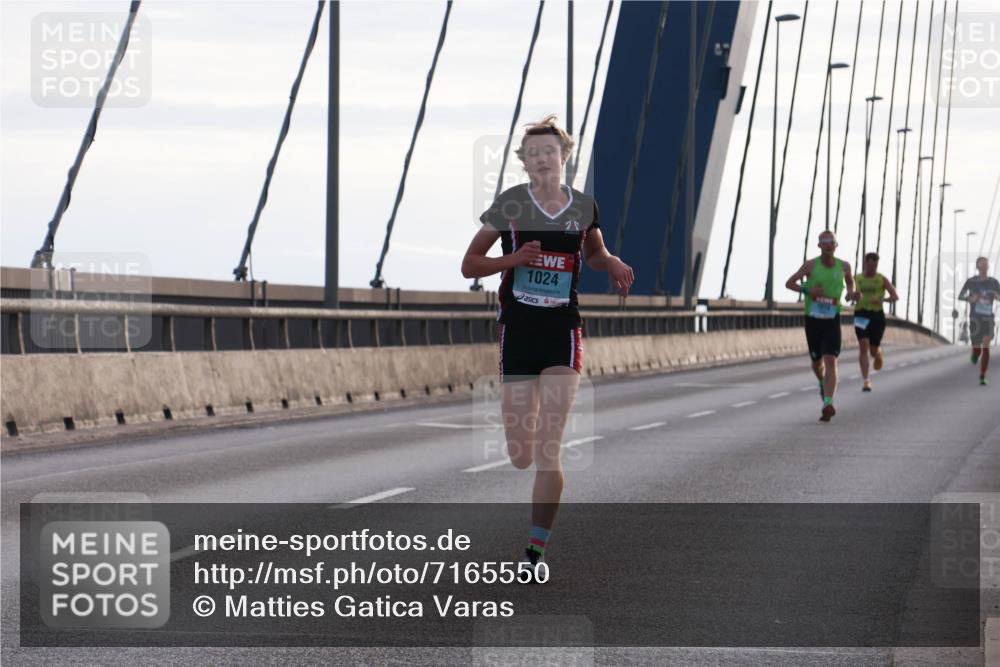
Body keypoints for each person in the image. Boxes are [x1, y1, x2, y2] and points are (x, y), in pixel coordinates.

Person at [461, 115, 634, 578]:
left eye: (549, 152)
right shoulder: (510, 205)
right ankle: (526, 448)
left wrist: (610, 260)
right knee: (521, 454)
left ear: (563, 157)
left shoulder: (583, 208)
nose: (541, 159)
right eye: (532, 153)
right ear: (523, 161)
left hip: (563, 331)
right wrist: (514, 259)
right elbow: (470, 264)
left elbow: (593, 253)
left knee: (548, 449)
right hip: (518, 332)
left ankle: (536, 550)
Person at [785, 231, 856, 421]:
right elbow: (789, 283)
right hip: (813, 319)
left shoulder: (844, 266)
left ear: (836, 245)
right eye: (824, 243)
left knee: (831, 360)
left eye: (831, 242)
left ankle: (828, 402)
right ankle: (821, 381)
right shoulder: (810, 265)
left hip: (832, 319)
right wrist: (808, 290)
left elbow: (850, 283)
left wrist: (851, 294)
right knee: (817, 363)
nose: (828, 245)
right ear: (819, 246)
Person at [851, 252, 899, 391]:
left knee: (872, 351)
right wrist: (854, 295)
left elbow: (895, 296)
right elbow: (851, 295)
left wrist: (882, 300)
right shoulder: (857, 278)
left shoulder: (881, 279)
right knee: (863, 345)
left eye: (875, 265)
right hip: (861, 314)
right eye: (870, 265)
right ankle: (866, 380)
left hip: (877, 316)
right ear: (865, 263)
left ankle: (877, 353)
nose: (872, 268)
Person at [957, 257, 1000, 386]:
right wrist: (971, 298)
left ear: (988, 267)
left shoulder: (994, 282)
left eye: (985, 266)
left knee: (986, 345)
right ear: (977, 267)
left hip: (988, 318)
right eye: (981, 266)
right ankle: (975, 354)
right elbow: (960, 296)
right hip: (975, 318)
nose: (983, 269)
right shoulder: (971, 282)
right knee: (978, 350)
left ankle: (982, 374)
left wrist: (997, 297)